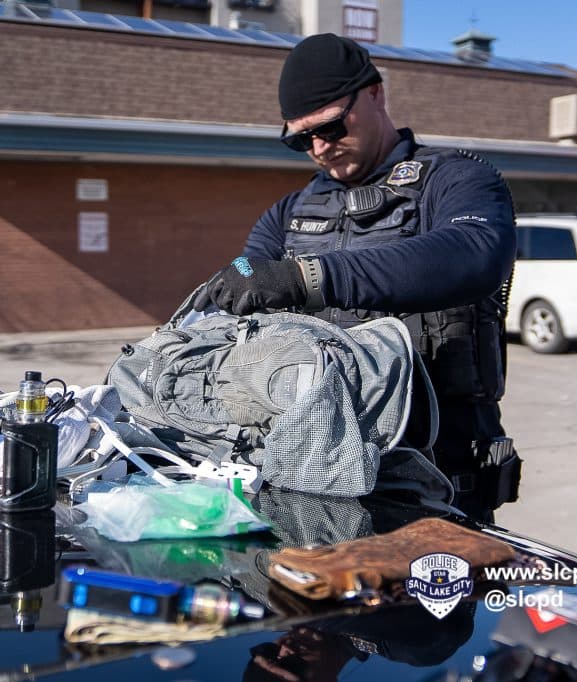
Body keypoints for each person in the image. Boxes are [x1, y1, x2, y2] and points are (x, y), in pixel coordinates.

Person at [194, 33, 520, 521]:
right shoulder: (288, 213)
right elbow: (246, 272)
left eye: (329, 126)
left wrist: (308, 276)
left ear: (375, 94)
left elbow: (475, 253)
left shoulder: (455, 180)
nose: (320, 147)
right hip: (313, 478)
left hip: (438, 485)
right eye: (301, 139)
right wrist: (240, 276)